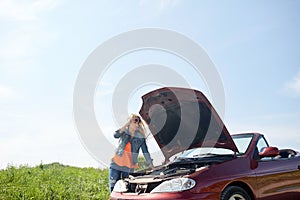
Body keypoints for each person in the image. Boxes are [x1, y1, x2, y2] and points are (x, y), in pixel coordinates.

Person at [109, 114, 153, 192]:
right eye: (134, 121)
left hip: (129, 167)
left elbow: (145, 151)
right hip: (115, 164)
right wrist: (126, 124)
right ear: (130, 122)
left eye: (138, 121)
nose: (136, 123)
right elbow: (115, 135)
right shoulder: (124, 132)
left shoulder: (140, 137)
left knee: (127, 190)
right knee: (114, 189)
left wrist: (150, 164)